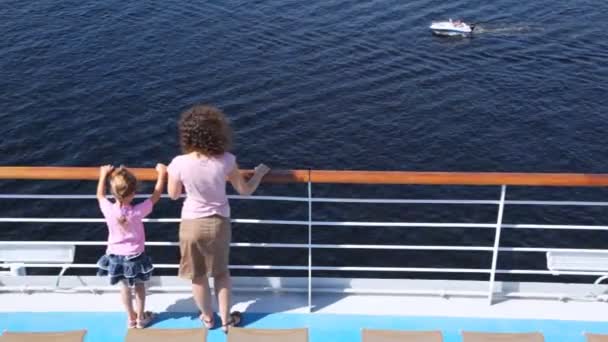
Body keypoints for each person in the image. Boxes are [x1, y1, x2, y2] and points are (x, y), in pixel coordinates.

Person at [167, 105, 270, 333]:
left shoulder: (178, 163)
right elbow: (245, 190)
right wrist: (259, 174)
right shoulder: (227, 161)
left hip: (191, 224)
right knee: (221, 274)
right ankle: (225, 320)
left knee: (198, 276)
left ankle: (207, 318)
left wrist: (164, 173)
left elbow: (173, 195)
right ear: (218, 133)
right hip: (218, 223)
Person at [96, 163, 166, 329]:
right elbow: (155, 197)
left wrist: (103, 174)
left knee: (124, 288)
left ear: (113, 192)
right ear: (133, 193)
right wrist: (162, 174)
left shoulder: (108, 209)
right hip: (135, 255)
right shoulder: (137, 211)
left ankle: (131, 318)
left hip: (114, 255)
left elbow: (100, 195)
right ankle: (141, 318)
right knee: (140, 286)